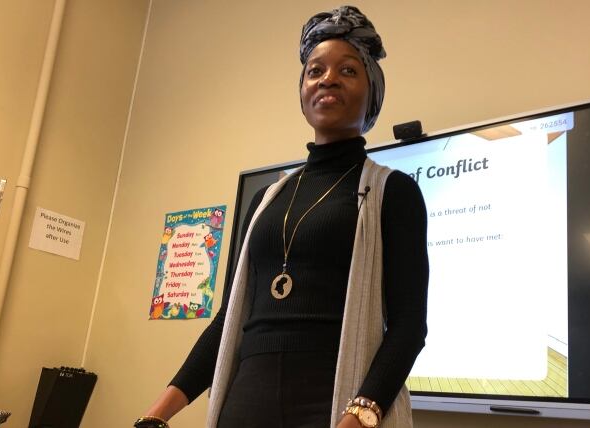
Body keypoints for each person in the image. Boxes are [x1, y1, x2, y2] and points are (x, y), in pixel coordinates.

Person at [134, 6, 428, 428]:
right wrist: (156, 416)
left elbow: (408, 327)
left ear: (372, 93)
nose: (328, 79)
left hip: (332, 405)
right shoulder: (267, 200)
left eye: (348, 71)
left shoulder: (393, 191)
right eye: (315, 70)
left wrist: (358, 417)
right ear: (303, 90)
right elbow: (227, 324)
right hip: (245, 400)